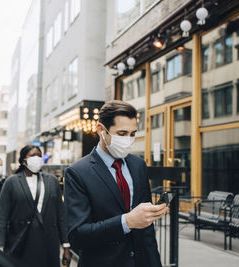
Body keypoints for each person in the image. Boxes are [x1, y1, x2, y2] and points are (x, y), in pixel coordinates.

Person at [64, 100, 168, 267]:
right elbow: (78, 235)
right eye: (121, 133)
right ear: (101, 130)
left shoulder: (138, 166)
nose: (128, 140)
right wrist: (127, 221)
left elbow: (147, 232)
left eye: (133, 134)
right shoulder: (77, 172)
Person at [0, 145, 71, 267]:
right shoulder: (12, 182)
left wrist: (66, 246)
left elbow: (61, 215)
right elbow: (1, 217)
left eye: (39, 156)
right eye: (33, 156)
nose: (37, 159)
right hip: (21, 243)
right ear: (24, 160)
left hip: (49, 244)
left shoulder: (52, 181)